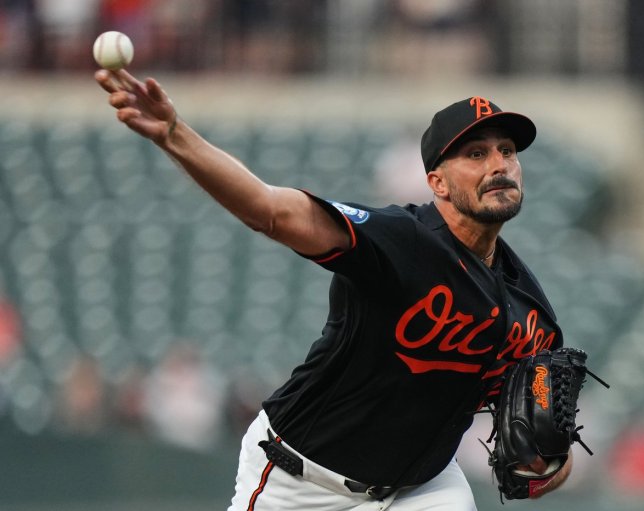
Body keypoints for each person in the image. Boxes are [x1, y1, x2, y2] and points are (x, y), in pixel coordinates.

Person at [95, 69, 573, 510]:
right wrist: (176, 135)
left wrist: (551, 461)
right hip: (302, 479)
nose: (500, 164)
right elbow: (271, 211)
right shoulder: (401, 241)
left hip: (420, 490)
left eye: (507, 151)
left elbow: (543, 435)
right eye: (476, 153)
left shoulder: (530, 310)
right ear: (437, 183)